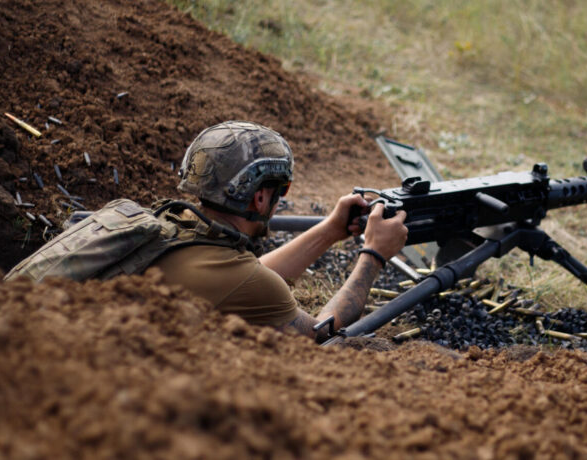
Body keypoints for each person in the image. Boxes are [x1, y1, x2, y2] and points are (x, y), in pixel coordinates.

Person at [149, 120, 407, 342]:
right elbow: (322, 331)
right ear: (260, 198)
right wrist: (374, 254)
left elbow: (246, 278)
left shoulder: (168, 223)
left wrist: (331, 230)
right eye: (282, 190)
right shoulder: (245, 282)